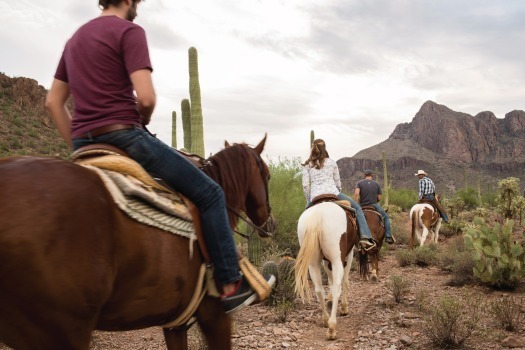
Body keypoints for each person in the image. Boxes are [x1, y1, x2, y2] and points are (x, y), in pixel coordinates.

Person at [44, 0, 273, 314]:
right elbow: (147, 97)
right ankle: (231, 284)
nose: (138, 4)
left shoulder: (74, 40)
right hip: (124, 136)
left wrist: (79, 146)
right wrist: (143, 117)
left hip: (85, 144)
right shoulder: (129, 31)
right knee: (209, 192)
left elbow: (53, 103)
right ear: (127, 1)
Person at [301, 139, 376, 249]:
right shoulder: (331, 162)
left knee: (304, 217)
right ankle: (365, 236)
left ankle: (303, 243)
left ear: (312, 148)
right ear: (325, 148)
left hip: (315, 197)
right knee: (358, 209)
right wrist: (337, 191)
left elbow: (305, 186)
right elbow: (338, 182)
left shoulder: (307, 164)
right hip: (333, 194)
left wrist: (309, 198)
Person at [354, 170, 395, 244]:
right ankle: (388, 236)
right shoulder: (376, 184)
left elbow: (356, 194)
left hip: (362, 205)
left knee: (353, 218)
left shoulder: (359, 183)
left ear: (365, 175)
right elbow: (379, 198)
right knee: (385, 217)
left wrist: (356, 204)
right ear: (372, 176)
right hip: (373, 205)